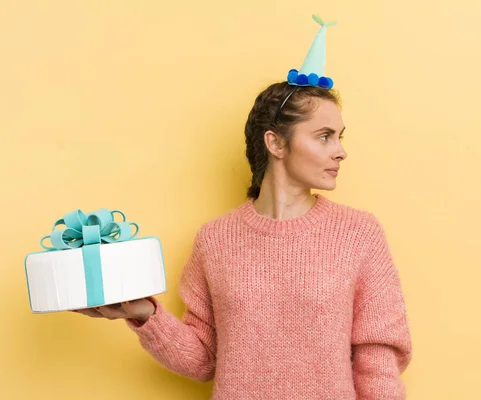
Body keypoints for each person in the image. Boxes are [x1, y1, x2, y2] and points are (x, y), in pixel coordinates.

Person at [74, 16, 412, 399]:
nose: (340, 150)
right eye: (324, 136)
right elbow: (204, 360)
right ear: (276, 143)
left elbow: (377, 363)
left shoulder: (358, 233)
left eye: (339, 137)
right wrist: (145, 315)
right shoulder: (215, 240)